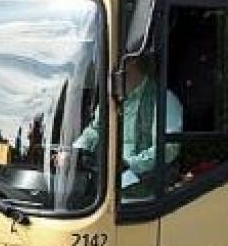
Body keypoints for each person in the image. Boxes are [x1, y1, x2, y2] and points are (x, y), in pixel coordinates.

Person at [68, 56, 182, 197]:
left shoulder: (163, 99)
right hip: (107, 188)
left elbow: (168, 148)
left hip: (147, 194)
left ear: (131, 61)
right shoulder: (110, 101)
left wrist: (129, 166)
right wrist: (74, 153)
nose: (104, 70)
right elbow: (95, 129)